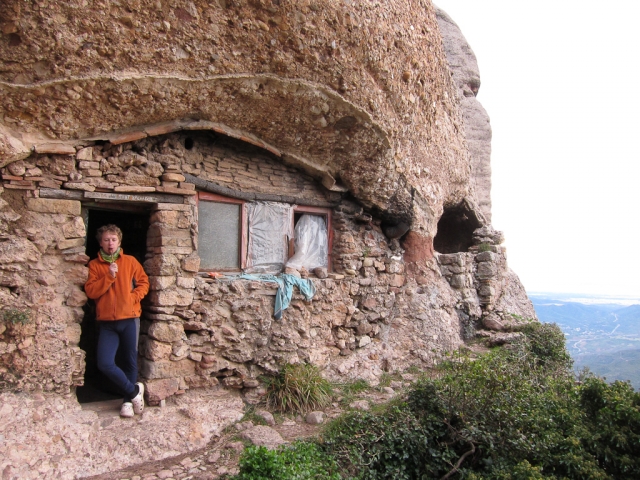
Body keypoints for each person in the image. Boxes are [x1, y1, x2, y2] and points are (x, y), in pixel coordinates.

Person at [85, 224, 149, 418]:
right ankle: (134, 391)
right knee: (105, 363)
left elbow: (144, 283)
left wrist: (133, 297)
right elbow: (91, 291)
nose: (110, 244)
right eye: (106, 240)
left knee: (129, 361)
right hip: (107, 323)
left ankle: (127, 403)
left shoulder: (130, 262)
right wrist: (109, 277)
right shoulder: (95, 266)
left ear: (119, 242)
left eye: (113, 239)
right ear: (100, 242)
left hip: (129, 319)